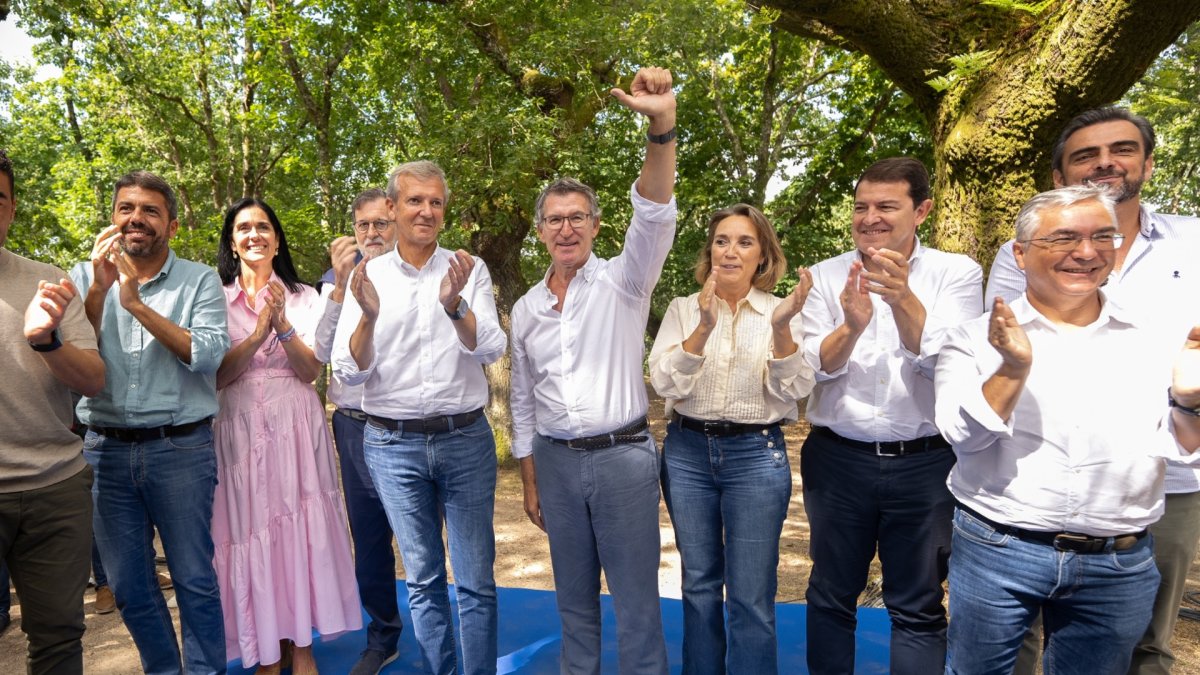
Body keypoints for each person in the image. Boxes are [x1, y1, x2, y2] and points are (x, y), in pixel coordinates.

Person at [935, 185, 1200, 674]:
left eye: (1103, 236)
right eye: (1063, 238)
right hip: (998, 549)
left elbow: (1182, 448)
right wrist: (1012, 369)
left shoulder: (1156, 337)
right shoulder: (975, 338)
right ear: (1021, 254)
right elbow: (964, 437)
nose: (1086, 252)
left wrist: (1189, 403)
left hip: (1117, 561)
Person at [510, 66, 677, 675]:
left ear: (596, 225)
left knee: (635, 602)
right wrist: (530, 479)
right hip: (554, 462)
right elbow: (523, 403)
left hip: (623, 459)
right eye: (554, 218)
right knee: (573, 601)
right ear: (540, 231)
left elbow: (655, 216)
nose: (566, 227)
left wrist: (661, 130)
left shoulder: (625, 282)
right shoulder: (525, 309)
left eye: (578, 216)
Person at [799, 157, 983, 674]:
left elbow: (947, 359)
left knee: (918, 603)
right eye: (861, 207)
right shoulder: (827, 276)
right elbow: (815, 367)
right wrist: (852, 327)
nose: (870, 217)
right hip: (837, 462)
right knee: (830, 594)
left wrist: (902, 298)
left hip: (927, 466)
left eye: (886, 206)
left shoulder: (957, 273)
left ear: (921, 210)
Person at [333, 161, 506, 675]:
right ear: (391, 208)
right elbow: (348, 369)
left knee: (475, 578)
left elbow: (491, 348)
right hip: (392, 445)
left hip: (464, 439)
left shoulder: (467, 267)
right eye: (414, 201)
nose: (426, 211)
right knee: (425, 580)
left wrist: (456, 308)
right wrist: (366, 316)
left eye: (435, 202)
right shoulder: (368, 277)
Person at [72, 170, 230, 674]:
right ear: (112, 218)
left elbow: (207, 356)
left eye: (149, 210)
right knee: (129, 586)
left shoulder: (199, 279)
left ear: (172, 225)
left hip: (180, 450)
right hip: (105, 450)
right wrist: (100, 293)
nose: (135, 218)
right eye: (126, 209)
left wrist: (134, 303)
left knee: (194, 580)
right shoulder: (81, 276)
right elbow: (72, 357)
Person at [648, 203, 816, 674]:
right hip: (687, 455)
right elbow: (665, 384)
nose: (731, 251)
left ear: (762, 255)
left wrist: (782, 328)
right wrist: (703, 328)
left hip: (756, 457)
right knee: (699, 585)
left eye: (744, 242)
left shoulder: (780, 311)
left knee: (751, 593)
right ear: (710, 250)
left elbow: (794, 389)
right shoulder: (684, 309)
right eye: (722, 240)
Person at [211, 198, 361, 673]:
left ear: (277, 239)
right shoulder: (213, 297)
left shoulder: (306, 297)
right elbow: (215, 377)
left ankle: (301, 646)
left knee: (298, 529)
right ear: (232, 242)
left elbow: (310, 369)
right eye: (243, 228)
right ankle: (264, 649)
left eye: (263, 227)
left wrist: (281, 325)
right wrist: (256, 335)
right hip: (237, 429)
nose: (254, 234)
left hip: (296, 427)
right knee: (249, 531)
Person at [0, 149, 105, 673]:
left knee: (59, 641)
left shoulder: (48, 281)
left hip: (55, 488)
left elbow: (95, 379)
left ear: (12, 208)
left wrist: (47, 340)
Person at [312, 188, 404, 675]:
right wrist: (341, 288)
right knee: (369, 540)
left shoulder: (417, 277)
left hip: (407, 429)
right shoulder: (331, 282)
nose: (372, 233)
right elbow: (319, 355)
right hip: (353, 428)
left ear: (397, 224)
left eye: (381, 224)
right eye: (363, 225)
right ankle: (382, 634)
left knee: (419, 537)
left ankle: (440, 632)